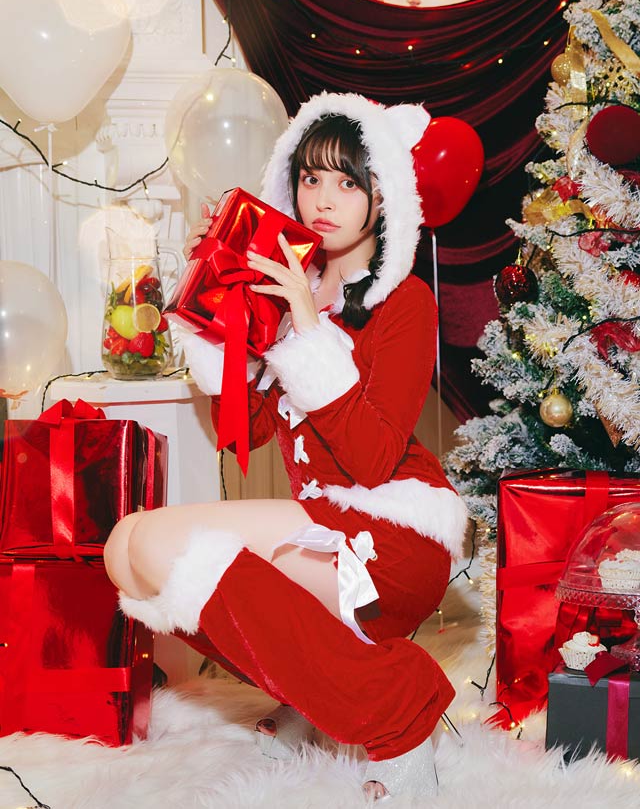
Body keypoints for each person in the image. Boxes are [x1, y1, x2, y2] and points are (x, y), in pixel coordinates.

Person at [104, 92, 468, 801]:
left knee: (154, 545)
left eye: (346, 182)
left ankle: (399, 710)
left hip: (394, 531)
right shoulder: (293, 288)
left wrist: (306, 328)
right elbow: (247, 432)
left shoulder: (404, 303)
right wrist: (216, 314)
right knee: (126, 553)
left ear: (383, 196)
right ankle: (316, 698)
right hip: (324, 524)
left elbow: (372, 459)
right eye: (309, 177)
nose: (322, 199)